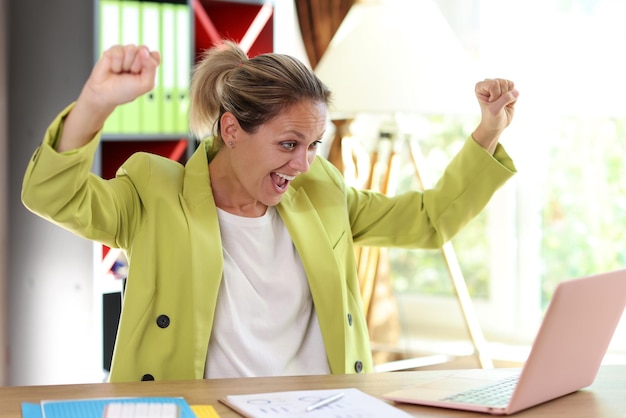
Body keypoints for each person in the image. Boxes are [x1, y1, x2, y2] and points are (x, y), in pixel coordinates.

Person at [21, 41, 519, 383]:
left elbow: (428, 221)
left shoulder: (319, 191)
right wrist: (95, 103)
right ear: (232, 131)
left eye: (313, 145)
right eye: (288, 143)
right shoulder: (155, 190)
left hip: (322, 406)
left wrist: (488, 131)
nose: (303, 164)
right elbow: (51, 195)